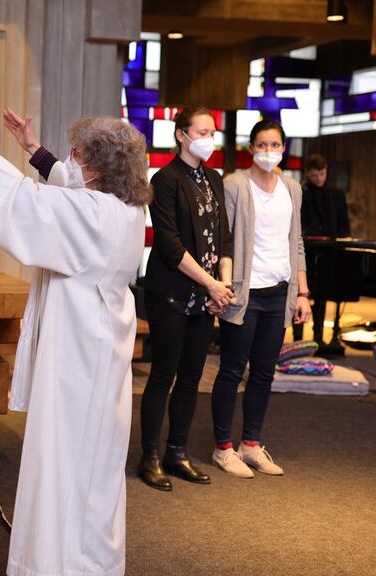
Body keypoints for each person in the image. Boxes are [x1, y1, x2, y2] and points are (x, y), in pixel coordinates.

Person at [0, 94, 151, 576]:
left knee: (65, 459)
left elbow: (28, 202)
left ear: (96, 169)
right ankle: (89, 560)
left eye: (76, 153)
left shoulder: (92, 212)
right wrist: (32, 147)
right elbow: (60, 186)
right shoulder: (123, 207)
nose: (68, 160)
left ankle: (55, 564)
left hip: (79, 356)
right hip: (99, 348)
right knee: (93, 466)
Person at [139, 107, 233, 491]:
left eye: (213, 132)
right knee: (164, 374)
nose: (210, 138)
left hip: (207, 294)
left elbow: (224, 237)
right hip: (172, 293)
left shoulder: (214, 178)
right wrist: (211, 285)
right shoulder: (164, 179)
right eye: (203, 131)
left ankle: (178, 453)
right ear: (182, 135)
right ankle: (150, 457)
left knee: (192, 377)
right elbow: (170, 246)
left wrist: (222, 287)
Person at [211, 119, 311, 479]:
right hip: (245, 292)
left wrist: (302, 292)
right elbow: (225, 240)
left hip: (278, 293)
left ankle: (250, 445)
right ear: (251, 148)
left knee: (264, 373)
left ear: (283, 147)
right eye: (263, 145)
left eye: (276, 144)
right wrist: (222, 286)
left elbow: (296, 241)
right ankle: (223, 448)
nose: (270, 151)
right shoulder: (235, 184)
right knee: (232, 370)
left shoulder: (292, 188)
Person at [293, 153, 351, 343]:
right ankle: (298, 337)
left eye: (322, 174)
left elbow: (343, 225)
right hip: (306, 252)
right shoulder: (300, 193)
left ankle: (318, 337)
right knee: (300, 294)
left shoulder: (337, 195)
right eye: (314, 175)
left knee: (323, 296)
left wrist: (343, 241)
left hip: (328, 253)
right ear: (308, 173)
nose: (319, 179)